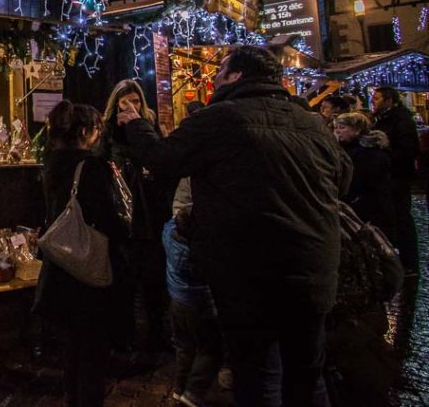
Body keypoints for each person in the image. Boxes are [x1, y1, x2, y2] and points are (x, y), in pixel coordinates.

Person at [117, 46, 351, 407]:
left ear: (237, 76)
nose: (213, 77)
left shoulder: (220, 118)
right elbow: (343, 179)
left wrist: (135, 123)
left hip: (250, 274)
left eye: (220, 69)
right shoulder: (311, 123)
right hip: (314, 268)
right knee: (307, 374)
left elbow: (163, 159)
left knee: (258, 375)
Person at [33, 100, 131, 406]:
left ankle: (71, 398)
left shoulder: (52, 163)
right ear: (87, 131)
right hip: (88, 270)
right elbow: (108, 219)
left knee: (72, 350)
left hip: (61, 266)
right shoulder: (90, 167)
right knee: (92, 353)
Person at [99, 78, 173, 352]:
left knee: (154, 276)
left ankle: (158, 335)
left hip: (151, 208)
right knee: (126, 278)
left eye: (136, 101)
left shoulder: (148, 125)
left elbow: (161, 159)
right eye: (124, 102)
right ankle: (128, 339)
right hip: (125, 211)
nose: (131, 106)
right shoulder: (109, 130)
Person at [164, 199, 221, 407]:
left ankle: (179, 388)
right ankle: (193, 393)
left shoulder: (169, 238)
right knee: (210, 348)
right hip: (199, 305)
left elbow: (170, 223)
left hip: (176, 301)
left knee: (183, 347)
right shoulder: (198, 253)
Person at [372, 86, 420, 274]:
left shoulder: (400, 120)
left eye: (377, 98)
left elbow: (408, 149)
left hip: (397, 175)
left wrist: (387, 152)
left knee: (401, 216)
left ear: (389, 100)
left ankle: (408, 261)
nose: (373, 101)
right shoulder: (386, 118)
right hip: (390, 174)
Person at [334, 111, 396, 243]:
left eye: (342, 127)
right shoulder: (347, 149)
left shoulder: (370, 153)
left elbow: (362, 181)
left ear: (357, 130)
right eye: (336, 128)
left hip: (370, 209)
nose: (338, 131)